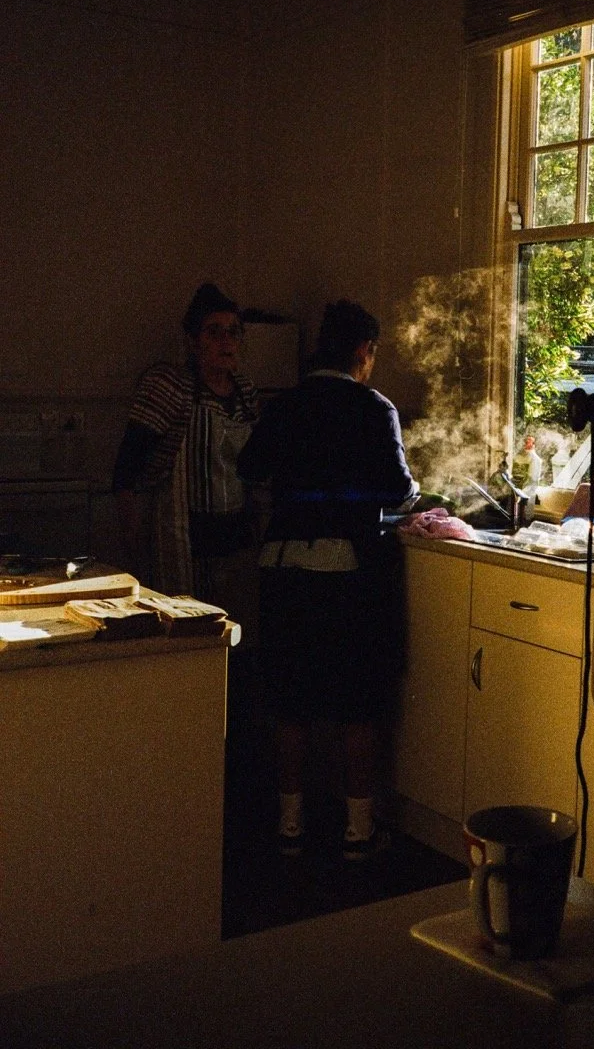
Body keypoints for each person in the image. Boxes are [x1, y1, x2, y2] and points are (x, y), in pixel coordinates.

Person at [236, 299, 419, 861]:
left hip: (281, 564)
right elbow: (396, 489)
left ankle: (290, 825)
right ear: (363, 350)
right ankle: (358, 832)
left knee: (290, 698)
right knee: (355, 699)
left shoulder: (285, 404)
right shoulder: (372, 407)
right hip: (344, 569)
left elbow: (248, 469)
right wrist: (403, 496)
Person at [112, 283, 260, 605]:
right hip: (183, 541)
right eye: (214, 332)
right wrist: (131, 539)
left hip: (234, 541)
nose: (226, 341)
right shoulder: (169, 387)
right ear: (194, 343)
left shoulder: (245, 392)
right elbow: (126, 470)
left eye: (234, 332)